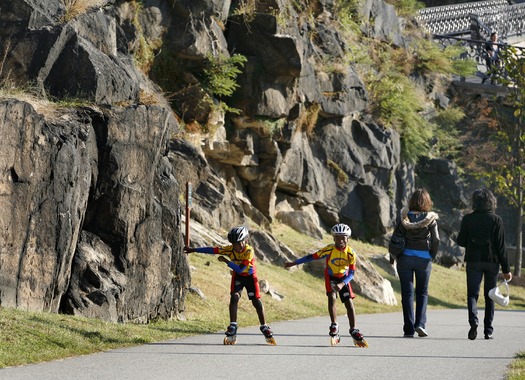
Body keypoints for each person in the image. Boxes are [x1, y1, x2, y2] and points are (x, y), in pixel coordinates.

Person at [184, 226, 276, 345]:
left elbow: (240, 268)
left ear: (245, 241)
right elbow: (212, 250)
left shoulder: (249, 251)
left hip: (249, 277)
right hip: (238, 276)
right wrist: (193, 250)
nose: (236, 246)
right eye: (233, 244)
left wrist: (226, 261)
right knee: (234, 297)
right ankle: (233, 325)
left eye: (238, 243)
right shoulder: (230, 249)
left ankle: (264, 326)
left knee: (255, 301)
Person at [284, 223, 368, 347]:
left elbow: (351, 274)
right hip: (331, 276)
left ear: (347, 238)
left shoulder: (351, 253)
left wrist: (342, 284)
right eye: (337, 237)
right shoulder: (329, 249)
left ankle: (353, 329)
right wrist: (294, 263)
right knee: (331, 297)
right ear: (333, 238)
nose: (340, 240)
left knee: (349, 302)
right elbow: (311, 257)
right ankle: (334, 324)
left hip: (344, 278)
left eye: (343, 237)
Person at [457, 188, 512, 340]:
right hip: (492, 262)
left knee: (472, 294)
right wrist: (506, 269)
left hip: (474, 261)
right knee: (490, 295)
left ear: (475, 201)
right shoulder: (497, 220)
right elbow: (502, 247)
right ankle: (488, 330)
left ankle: (473, 321)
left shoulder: (468, 219)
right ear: (491, 201)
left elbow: (460, 241)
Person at [392, 188, 439, 338]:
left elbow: (395, 237)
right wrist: (431, 254)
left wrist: (394, 256)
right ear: (427, 202)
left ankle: (408, 329)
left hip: (405, 258)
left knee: (407, 294)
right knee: (422, 292)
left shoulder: (404, 218)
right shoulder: (431, 219)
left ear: (411, 201)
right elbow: (436, 239)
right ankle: (420, 324)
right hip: (423, 260)